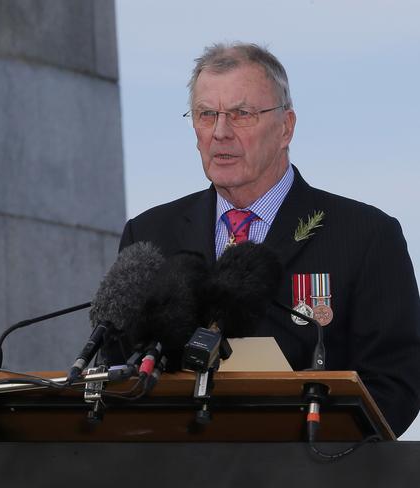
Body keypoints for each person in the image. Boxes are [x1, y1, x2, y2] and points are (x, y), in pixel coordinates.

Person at [118, 42, 420, 437]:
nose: (220, 132)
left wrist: (311, 451)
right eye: (207, 114)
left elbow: (397, 381)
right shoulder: (150, 234)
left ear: (286, 127)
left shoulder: (366, 235)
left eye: (241, 114)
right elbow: (119, 365)